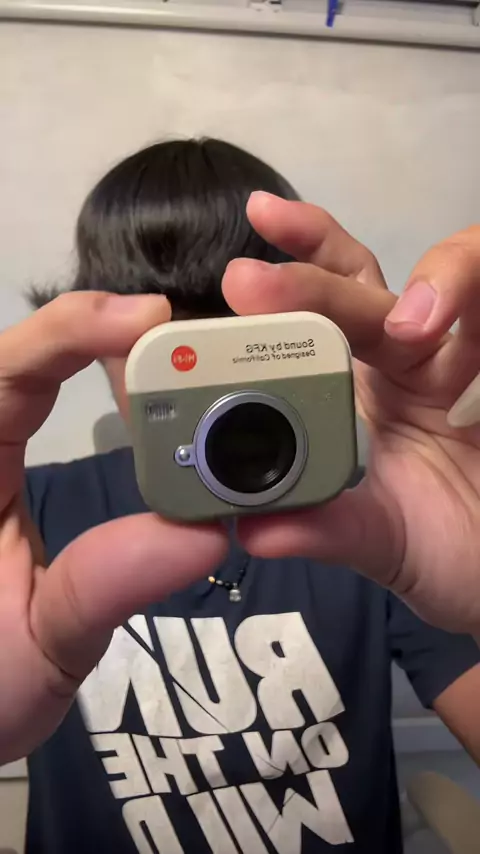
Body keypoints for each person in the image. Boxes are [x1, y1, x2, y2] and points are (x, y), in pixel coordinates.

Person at [0, 138, 479, 854]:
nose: (203, 376)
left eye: (233, 328)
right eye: (159, 335)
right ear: (94, 337)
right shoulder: (23, 523)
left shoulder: (385, 527)